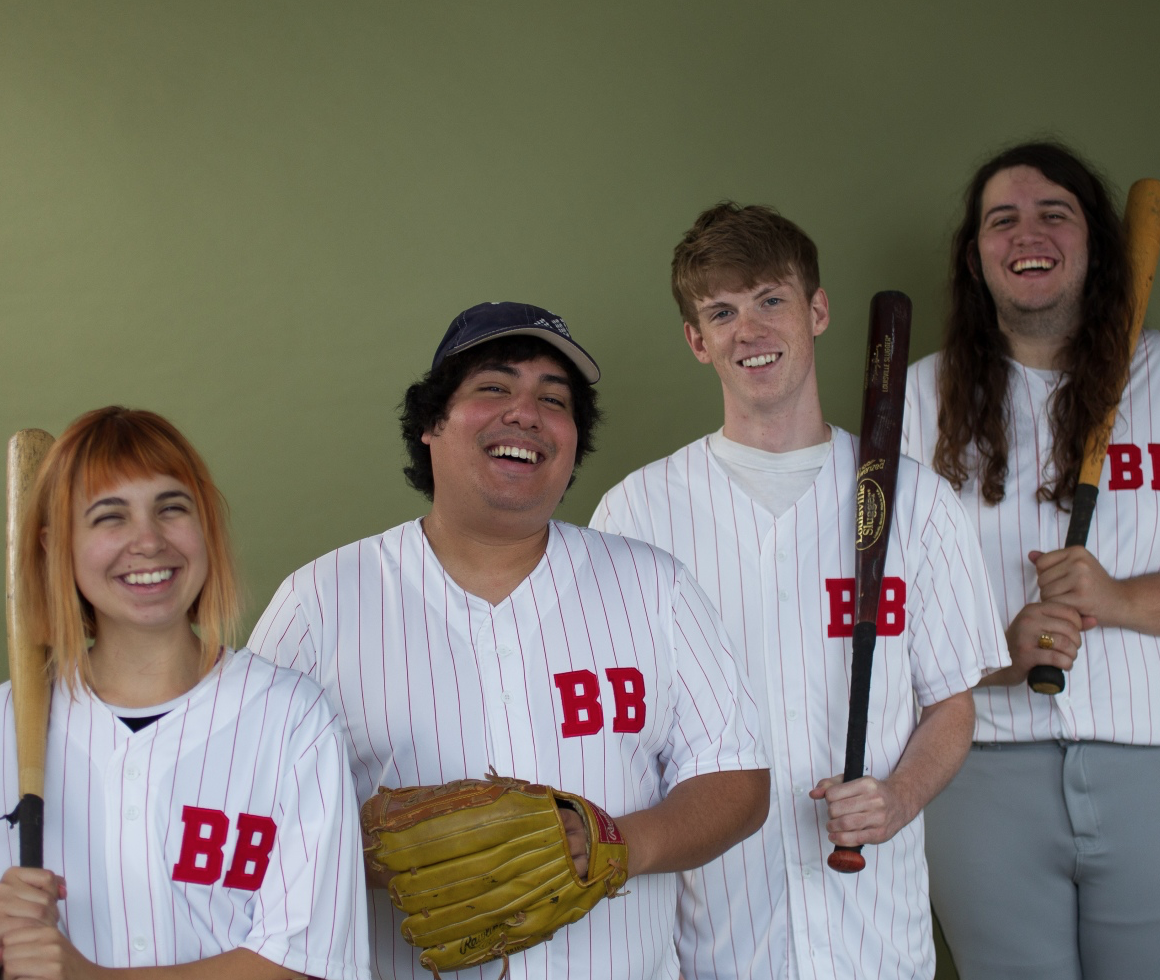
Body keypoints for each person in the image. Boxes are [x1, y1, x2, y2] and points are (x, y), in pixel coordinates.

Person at [247, 301, 771, 980]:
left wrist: (615, 843)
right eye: (493, 387)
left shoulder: (654, 587)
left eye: (554, 400)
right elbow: (247, 814)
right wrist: (379, 853)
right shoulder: (319, 602)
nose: (525, 412)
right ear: (431, 425)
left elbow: (737, 780)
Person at [590, 204, 1008, 980]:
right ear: (695, 339)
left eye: (770, 300)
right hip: (710, 935)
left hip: (875, 934)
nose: (749, 331)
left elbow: (952, 702)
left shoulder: (916, 501)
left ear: (816, 310)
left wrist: (901, 797)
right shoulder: (635, 513)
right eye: (722, 312)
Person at [902, 141, 1160, 980]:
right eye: (1001, 220)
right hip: (983, 774)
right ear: (976, 257)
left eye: (1056, 213)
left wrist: (1117, 598)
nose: (1028, 234)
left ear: (1096, 244)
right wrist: (994, 655)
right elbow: (884, 600)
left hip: (1149, 760)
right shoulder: (920, 398)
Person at [0, 407, 370, 980]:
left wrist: (86, 978)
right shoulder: (6, 726)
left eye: (172, 508)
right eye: (109, 517)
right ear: (55, 548)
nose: (147, 541)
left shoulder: (291, 718)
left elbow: (310, 966)